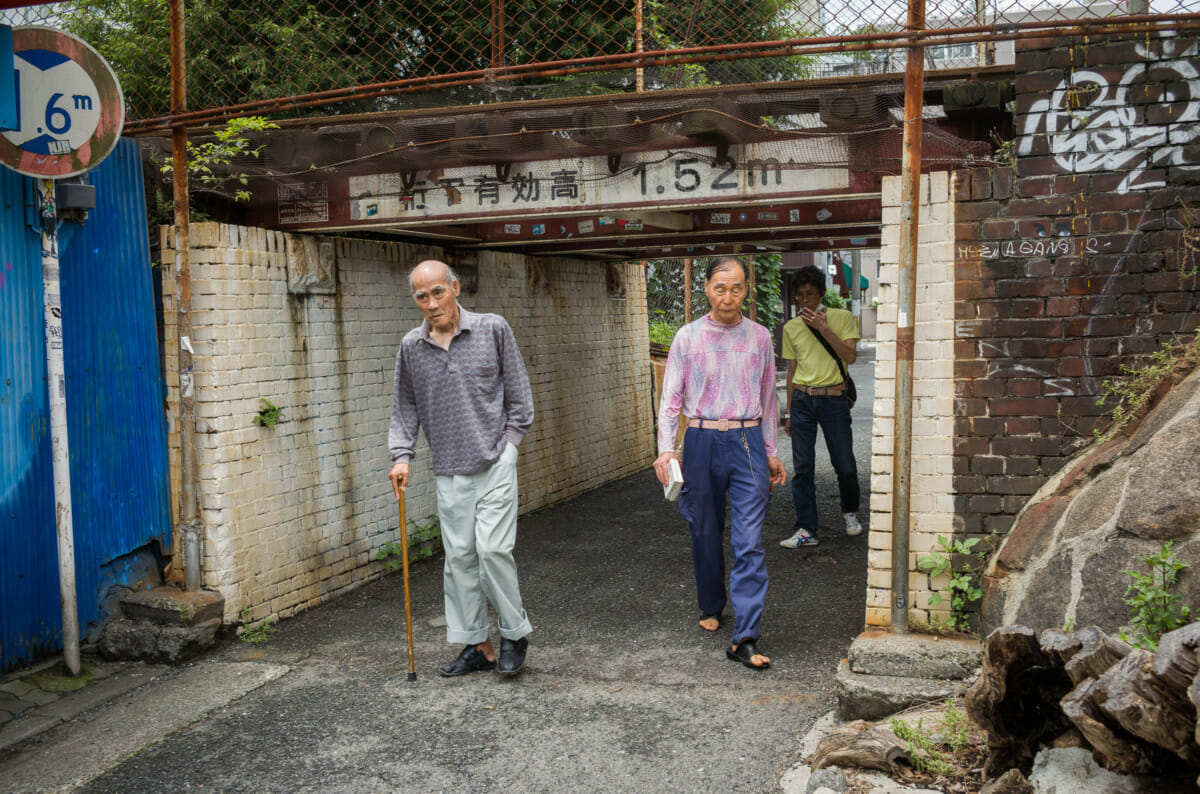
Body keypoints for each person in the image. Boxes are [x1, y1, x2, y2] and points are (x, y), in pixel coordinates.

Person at [388, 260, 535, 677]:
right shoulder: (411, 348)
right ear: (415, 300)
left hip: (494, 462)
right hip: (449, 471)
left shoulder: (493, 329)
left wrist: (509, 448)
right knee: (460, 561)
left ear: (454, 287)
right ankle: (479, 645)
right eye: (422, 296)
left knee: (491, 550)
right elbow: (405, 408)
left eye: (438, 292)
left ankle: (513, 632)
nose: (432, 303)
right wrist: (401, 456)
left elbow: (520, 399)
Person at [654, 257, 787, 671]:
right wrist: (665, 449)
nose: (728, 297)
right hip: (701, 439)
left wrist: (770, 451)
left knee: (748, 541)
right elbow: (670, 399)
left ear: (746, 290)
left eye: (736, 288)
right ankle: (711, 603)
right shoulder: (688, 336)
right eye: (720, 288)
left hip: (747, 440)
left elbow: (768, 400)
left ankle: (744, 637)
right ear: (706, 289)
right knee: (705, 529)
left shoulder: (761, 337)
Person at [779, 264, 862, 549]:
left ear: (822, 294)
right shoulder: (790, 327)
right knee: (802, 468)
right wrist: (788, 411)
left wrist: (824, 329)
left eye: (810, 295)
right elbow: (791, 370)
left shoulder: (842, 317)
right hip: (802, 399)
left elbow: (850, 356)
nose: (805, 301)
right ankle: (806, 529)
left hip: (833, 399)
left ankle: (850, 513)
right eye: (800, 296)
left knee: (845, 465)